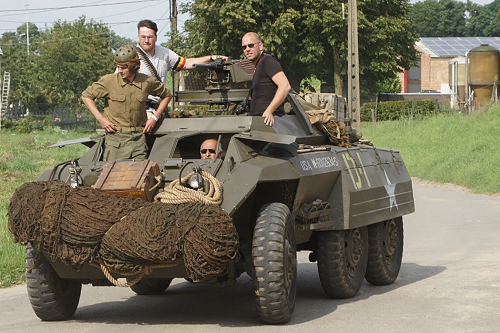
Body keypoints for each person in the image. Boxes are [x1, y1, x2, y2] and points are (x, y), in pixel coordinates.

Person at [82, 45, 172, 162]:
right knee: (112, 176)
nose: (120, 70)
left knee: (140, 176)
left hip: (138, 139)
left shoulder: (146, 82)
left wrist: (155, 117)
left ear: (134, 66)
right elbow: (86, 96)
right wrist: (100, 118)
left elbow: (167, 95)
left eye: (123, 67)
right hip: (116, 140)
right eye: (118, 66)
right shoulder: (109, 81)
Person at [241, 32, 291, 127]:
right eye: (244, 47)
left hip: (269, 122)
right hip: (260, 121)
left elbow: (285, 86)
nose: (247, 49)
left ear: (260, 46)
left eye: (251, 45)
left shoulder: (268, 61)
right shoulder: (258, 66)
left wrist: (269, 110)